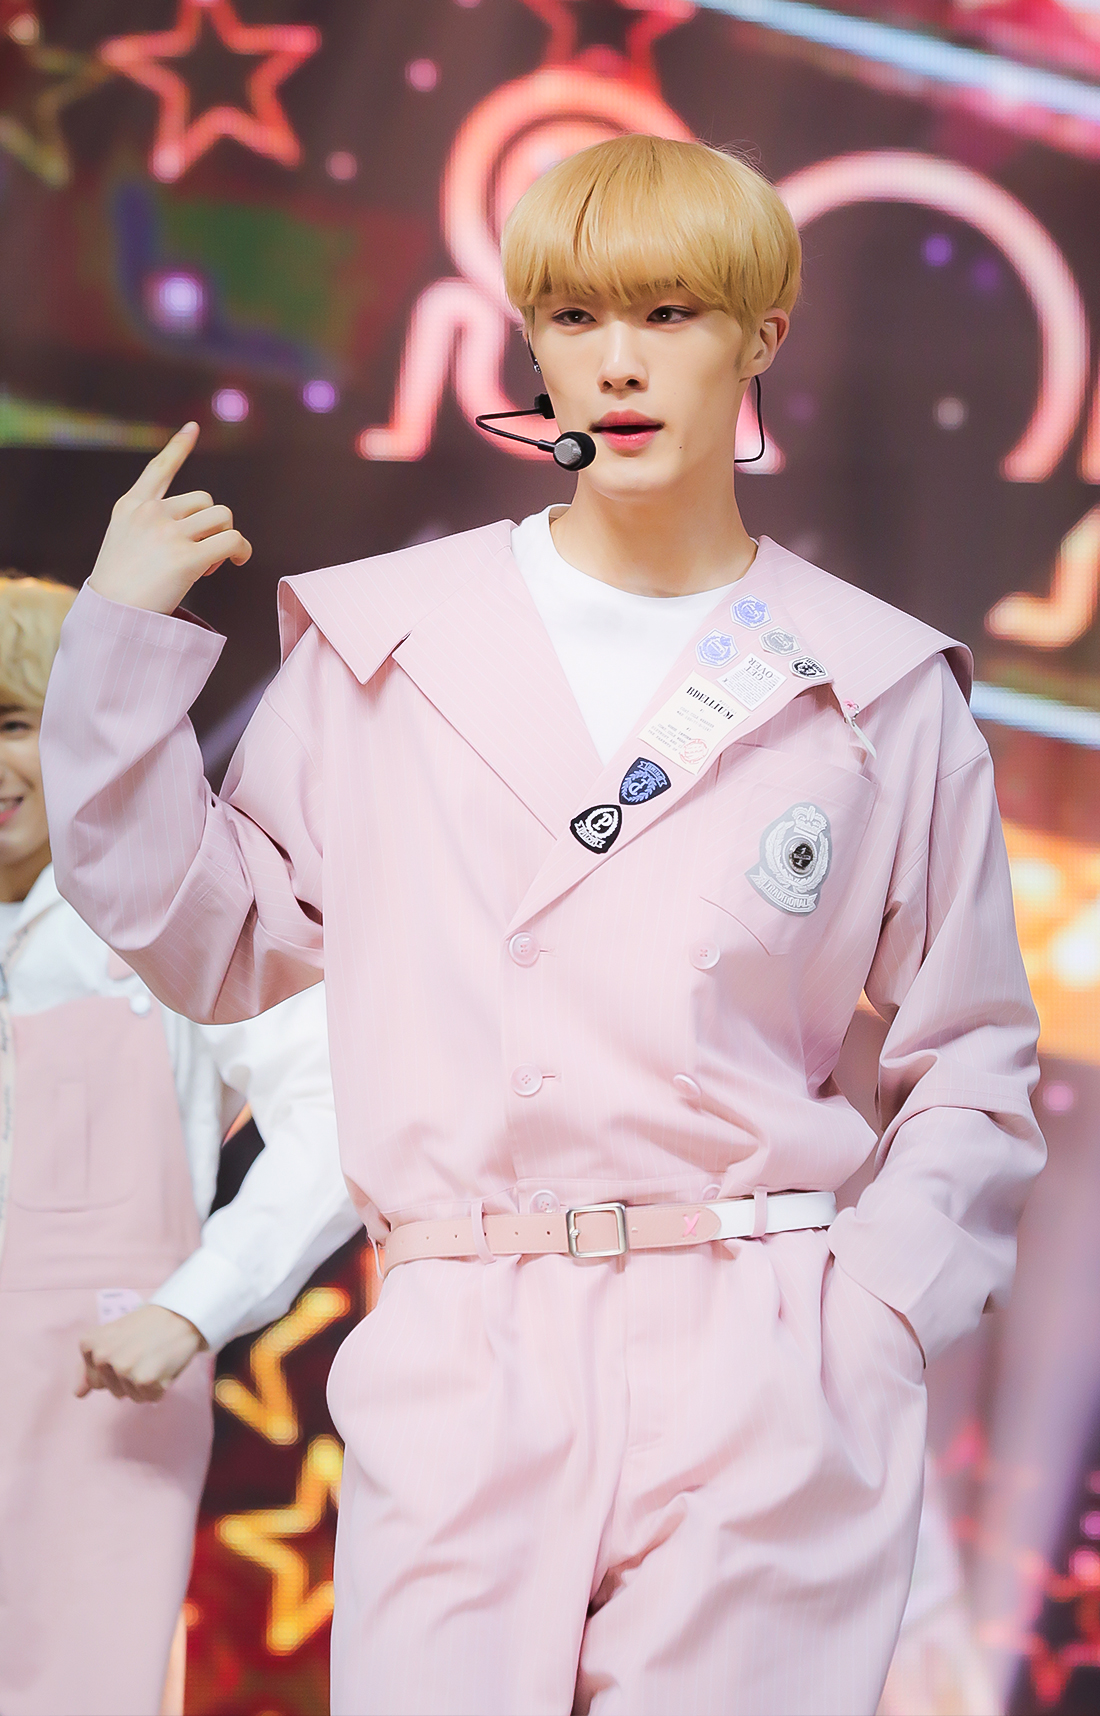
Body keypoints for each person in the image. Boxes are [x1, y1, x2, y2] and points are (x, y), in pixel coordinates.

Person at [40, 135, 1044, 1716]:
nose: (619, 362)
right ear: (532, 342)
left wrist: (879, 1317)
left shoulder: (875, 686)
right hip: (465, 1344)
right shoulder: (387, 644)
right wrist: (113, 647)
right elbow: (215, 938)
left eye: (671, 312)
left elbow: (973, 1052)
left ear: (762, 335)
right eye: (575, 317)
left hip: (771, 1355)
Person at [0, 575, 360, 1716]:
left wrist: (194, 1305)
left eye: (13, 723)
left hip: (100, 1398)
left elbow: (337, 1115)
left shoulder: (170, 922)